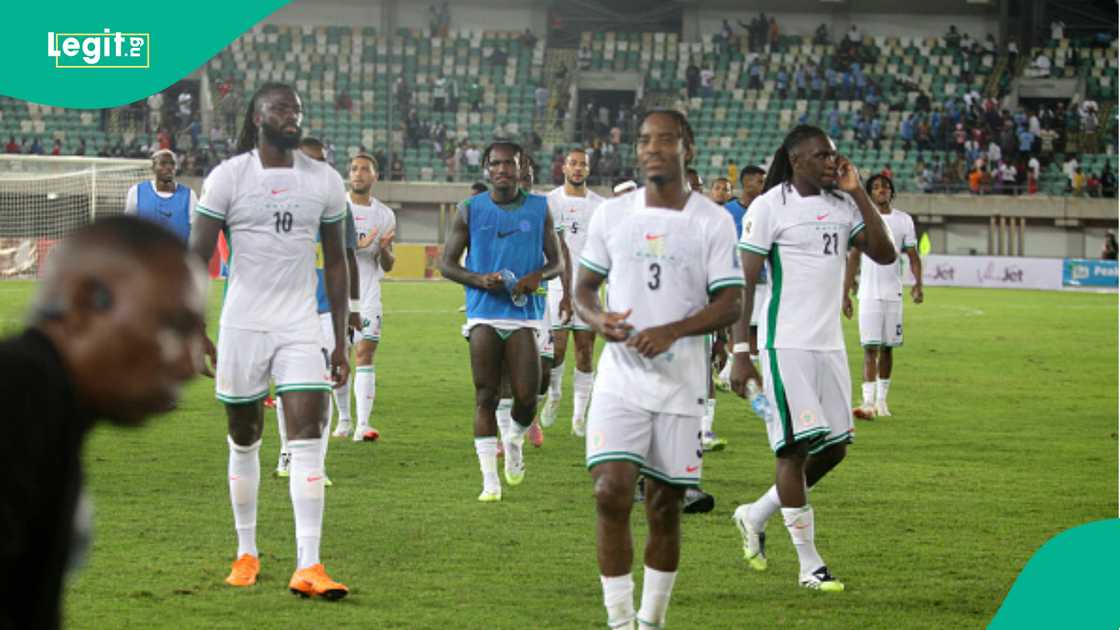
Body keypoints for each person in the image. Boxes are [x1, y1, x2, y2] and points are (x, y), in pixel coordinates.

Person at [575, 110, 744, 630]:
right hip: (620, 376)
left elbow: (732, 302)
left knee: (666, 506)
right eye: (645, 139)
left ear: (687, 147)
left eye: (665, 139)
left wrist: (672, 330)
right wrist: (599, 319)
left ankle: (651, 621)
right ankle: (619, 621)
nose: (653, 148)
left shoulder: (712, 220)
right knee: (610, 492)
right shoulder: (612, 215)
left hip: (681, 384)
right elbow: (583, 291)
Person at [0, 217, 205, 630]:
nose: (190, 364)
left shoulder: (46, 409)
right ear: (85, 304)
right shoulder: (15, 406)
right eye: (173, 327)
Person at [189, 83, 351, 598]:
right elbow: (196, 256)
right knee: (244, 436)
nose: (292, 116)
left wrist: (340, 338)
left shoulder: (324, 180)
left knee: (308, 437)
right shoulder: (229, 176)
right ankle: (246, 551)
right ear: (258, 117)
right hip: (243, 325)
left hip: (301, 325)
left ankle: (310, 564)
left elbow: (337, 261)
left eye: (297, 109)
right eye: (281, 109)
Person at [729, 124, 896, 592]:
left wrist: (858, 192)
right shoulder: (769, 206)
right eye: (822, 155)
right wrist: (741, 352)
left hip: (829, 345)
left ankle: (755, 513)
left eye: (834, 154)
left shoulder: (843, 204)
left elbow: (885, 254)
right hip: (786, 345)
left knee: (835, 448)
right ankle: (809, 565)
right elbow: (743, 282)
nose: (832, 162)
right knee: (793, 449)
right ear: (796, 159)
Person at [438, 141, 562, 501]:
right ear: (487, 168)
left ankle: (515, 439)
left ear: (521, 168)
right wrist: (479, 280)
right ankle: (489, 481)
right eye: (496, 163)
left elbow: (557, 262)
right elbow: (446, 264)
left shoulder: (540, 207)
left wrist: (538, 276)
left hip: (524, 315)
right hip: (483, 312)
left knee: (527, 397)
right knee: (485, 395)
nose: (503, 169)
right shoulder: (469, 209)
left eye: (510, 163)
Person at [273, 138, 362, 483]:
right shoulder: (275, 201)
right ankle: (287, 450)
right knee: (286, 387)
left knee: (321, 385)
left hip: (326, 310)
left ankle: (315, 463)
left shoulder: (339, 205)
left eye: (322, 161)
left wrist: (353, 308)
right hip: (287, 309)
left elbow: (349, 258)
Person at [842, 174, 923, 419]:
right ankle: (867, 402)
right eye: (876, 187)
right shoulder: (863, 219)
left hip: (893, 293)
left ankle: (881, 400)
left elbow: (913, 256)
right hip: (868, 293)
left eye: (885, 187)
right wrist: (845, 292)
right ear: (870, 193)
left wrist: (918, 284)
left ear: (891, 192)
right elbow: (853, 257)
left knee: (888, 349)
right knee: (870, 348)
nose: (881, 190)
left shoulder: (903, 220)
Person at [542, 148, 605, 435]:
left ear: (588, 170)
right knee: (557, 349)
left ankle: (580, 416)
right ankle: (554, 394)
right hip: (557, 285)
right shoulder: (549, 201)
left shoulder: (600, 206)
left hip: (589, 288)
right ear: (564, 168)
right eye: (573, 163)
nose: (578, 168)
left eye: (583, 164)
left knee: (585, 351)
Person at [341, 153, 396, 443]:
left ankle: (362, 424)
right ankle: (343, 419)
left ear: (375, 176)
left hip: (368, 294)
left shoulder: (385, 214)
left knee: (365, 353)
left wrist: (384, 249)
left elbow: (388, 264)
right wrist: (354, 245)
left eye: (365, 169)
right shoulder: (335, 208)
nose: (358, 173)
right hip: (336, 293)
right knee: (339, 357)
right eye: (354, 169)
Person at [716, 165, 766, 391]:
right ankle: (730, 371)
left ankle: (731, 373)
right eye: (759, 181)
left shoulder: (767, 209)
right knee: (734, 326)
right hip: (734, 277)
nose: (763, 185)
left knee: (755, 329)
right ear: (746, 183)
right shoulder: (727, 211)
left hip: (763, 278)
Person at [124, 149, 198, 243]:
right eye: (163, 163)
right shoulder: (136, 191)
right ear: (153, 167)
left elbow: (196, 231)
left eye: (172, 164)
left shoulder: (190, 195)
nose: (169, 167)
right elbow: (128, 228)